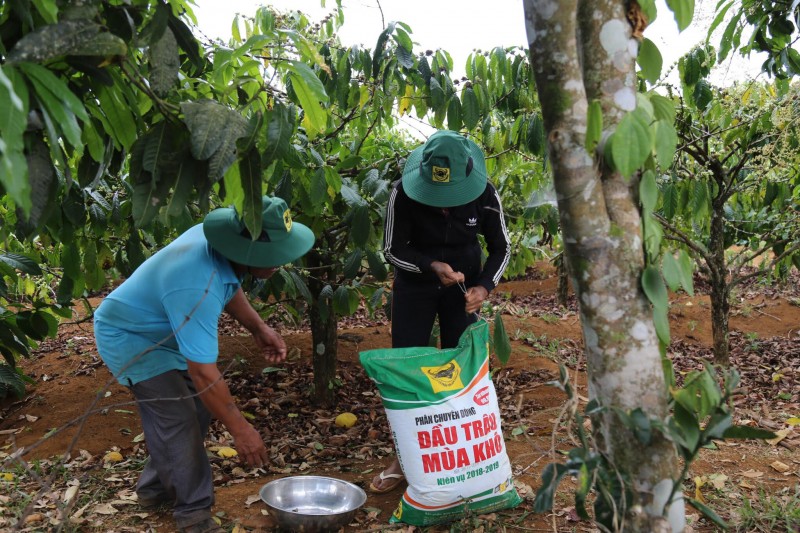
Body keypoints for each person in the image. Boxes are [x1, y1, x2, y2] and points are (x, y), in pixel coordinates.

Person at [93, 196, 314, 533]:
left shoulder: (222, 248)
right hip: (130, 336)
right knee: (177, 417)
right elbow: (203, 373)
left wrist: (258, 327)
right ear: (245, 250)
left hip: (165, 326)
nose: (278, 264)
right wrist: (241, 430)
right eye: (272, 257)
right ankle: (194, 516)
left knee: (198, 410)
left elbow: (227, 283)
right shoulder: (195, 283)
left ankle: (153, 489)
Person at [371, 130, 511, 493]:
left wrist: (483, 287)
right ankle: (403, 458)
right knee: (408, 365)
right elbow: (391, 248)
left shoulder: (485, 193)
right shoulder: (403, 192)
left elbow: (501, 249)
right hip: (415, 286)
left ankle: (462, 455)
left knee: (460, 364)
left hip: (463, 290)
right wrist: (430, 265)